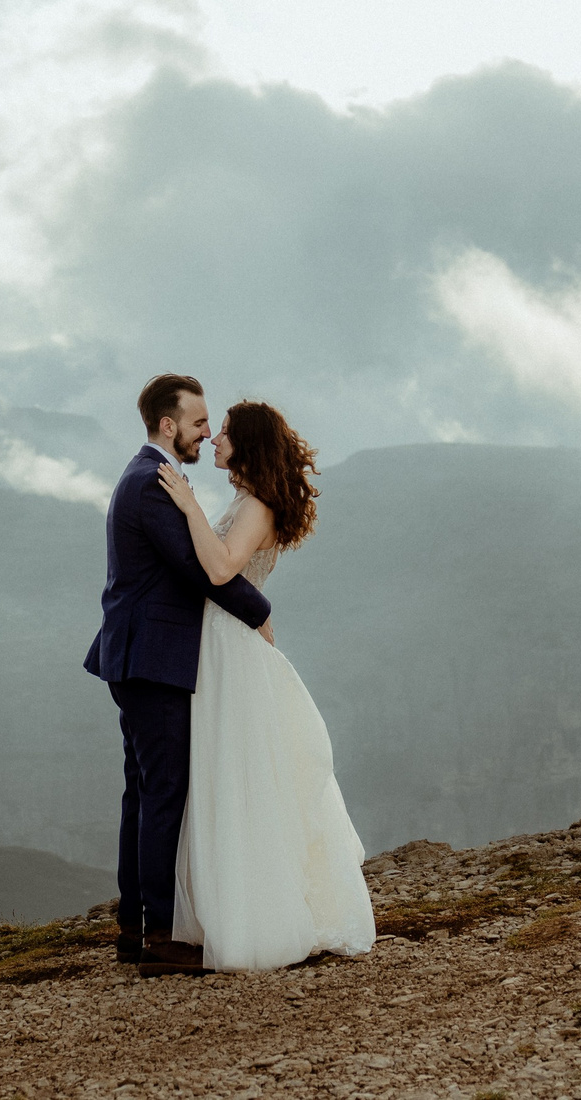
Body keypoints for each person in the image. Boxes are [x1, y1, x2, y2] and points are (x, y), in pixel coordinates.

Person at [153, 398, 375, 971]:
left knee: (239, 776)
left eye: (224, 432)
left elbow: (223, 568)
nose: (217, 440)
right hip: (220, 644)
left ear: (246, 443)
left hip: (232, 651)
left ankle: (258, 921)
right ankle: (224, 912)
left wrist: (186, 506)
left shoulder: (256, 506)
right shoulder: (244, 500)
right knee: (225, 775)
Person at [83, 374, 274, 976]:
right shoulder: (151, 482)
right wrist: (260, 614)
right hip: (152, 660)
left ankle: (134, 931)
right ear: (169, 425)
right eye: (197, 422)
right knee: (161, 794)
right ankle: (161, 940)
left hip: (140, 657)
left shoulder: (150, 476)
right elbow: (198, 569)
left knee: (143, 795)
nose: (205, 433)